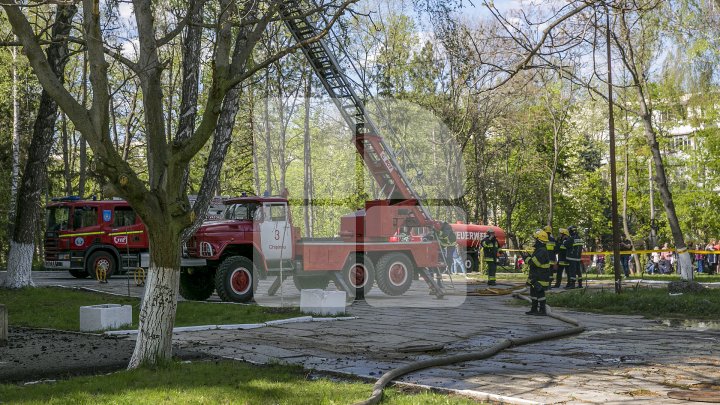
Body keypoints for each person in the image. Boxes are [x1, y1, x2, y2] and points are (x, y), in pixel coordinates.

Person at [525, 229, 552, 316]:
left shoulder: (542, 251)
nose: (534, 241)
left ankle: (542, 310)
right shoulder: (539, 249)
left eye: (535, 239)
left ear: (539, 240)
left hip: (541, 276)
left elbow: (535, 263)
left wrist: (527, 259)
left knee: (540, 293)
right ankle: (534, 309)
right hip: (536, 276)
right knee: (533, 293)